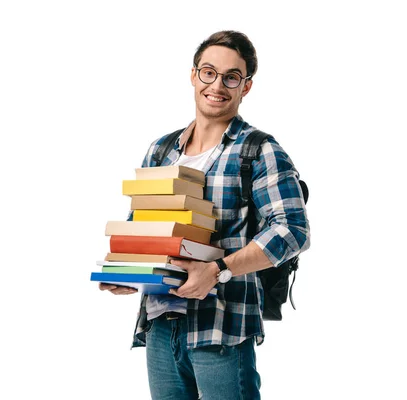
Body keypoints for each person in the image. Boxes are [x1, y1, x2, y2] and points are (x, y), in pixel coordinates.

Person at [99, 30, 310, 399]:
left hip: (221, 328)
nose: (218, 85)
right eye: (209, 73)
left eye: (232, 77)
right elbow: (144, 225)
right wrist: (128, 270)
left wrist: (217, 270)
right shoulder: (162, 149)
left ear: (246, 87)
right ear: (194, 75)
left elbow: (292, 231)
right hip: (161, 328)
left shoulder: (258, 151)